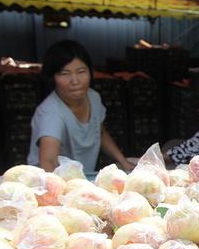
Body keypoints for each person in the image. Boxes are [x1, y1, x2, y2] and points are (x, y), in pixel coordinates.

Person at [27, 39, 134, 173]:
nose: (75, 81)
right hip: (50, 179)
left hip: (79, 177)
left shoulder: (93, 98)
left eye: (81, 72)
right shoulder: (51, 112)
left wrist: (123, 161)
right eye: (65, 74)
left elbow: (99, 132)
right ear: (52, 77)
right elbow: (48, 161)